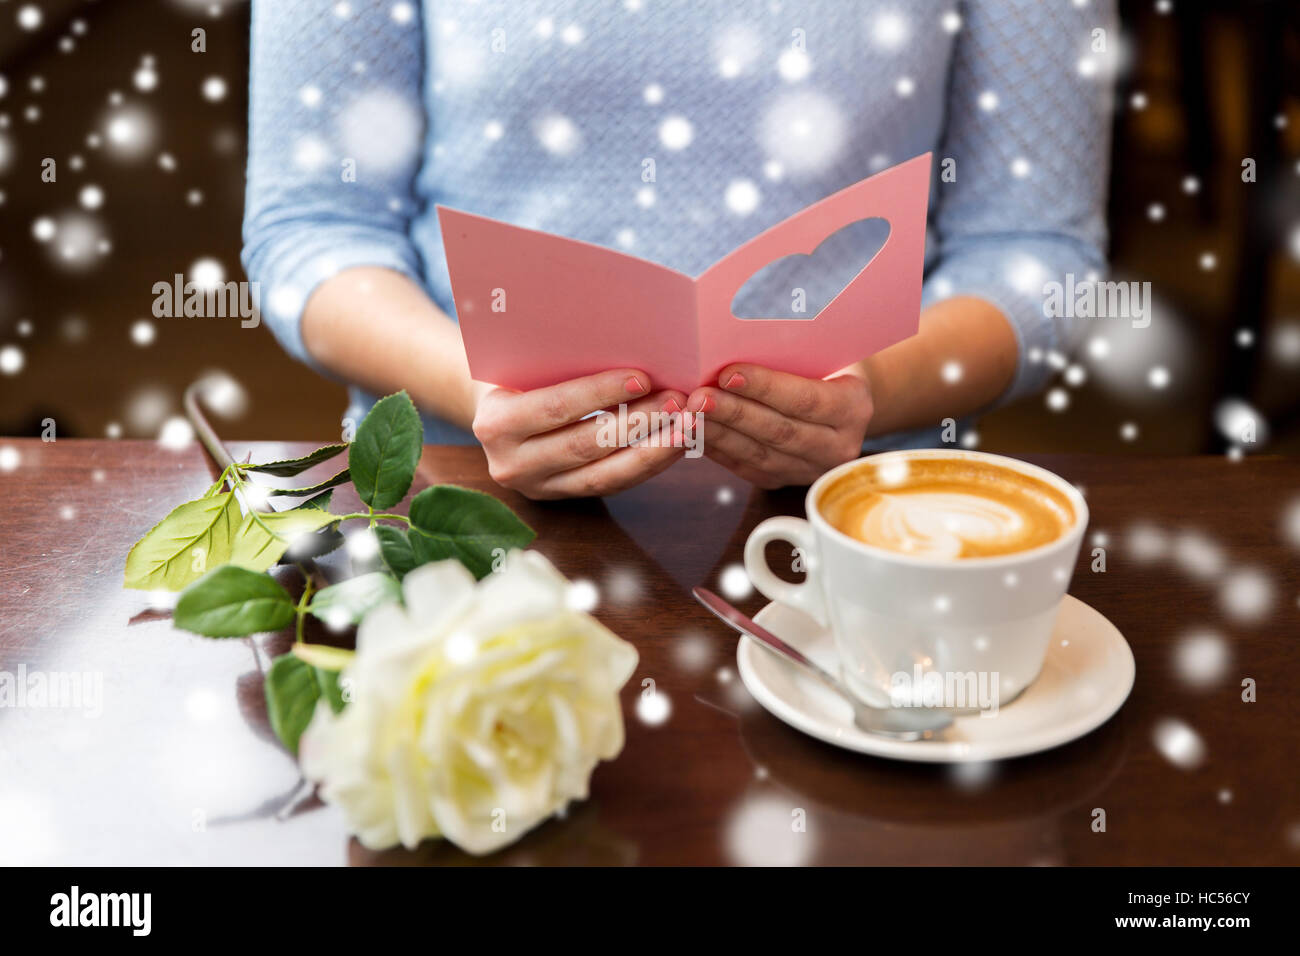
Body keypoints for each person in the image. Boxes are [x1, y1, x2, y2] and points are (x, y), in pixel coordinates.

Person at [243, 1, 1113, 499]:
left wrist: (875, 390)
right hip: (459, 498)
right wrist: (473, 386)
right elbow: (313, 227)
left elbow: (1039, 254)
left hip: (860, 521)